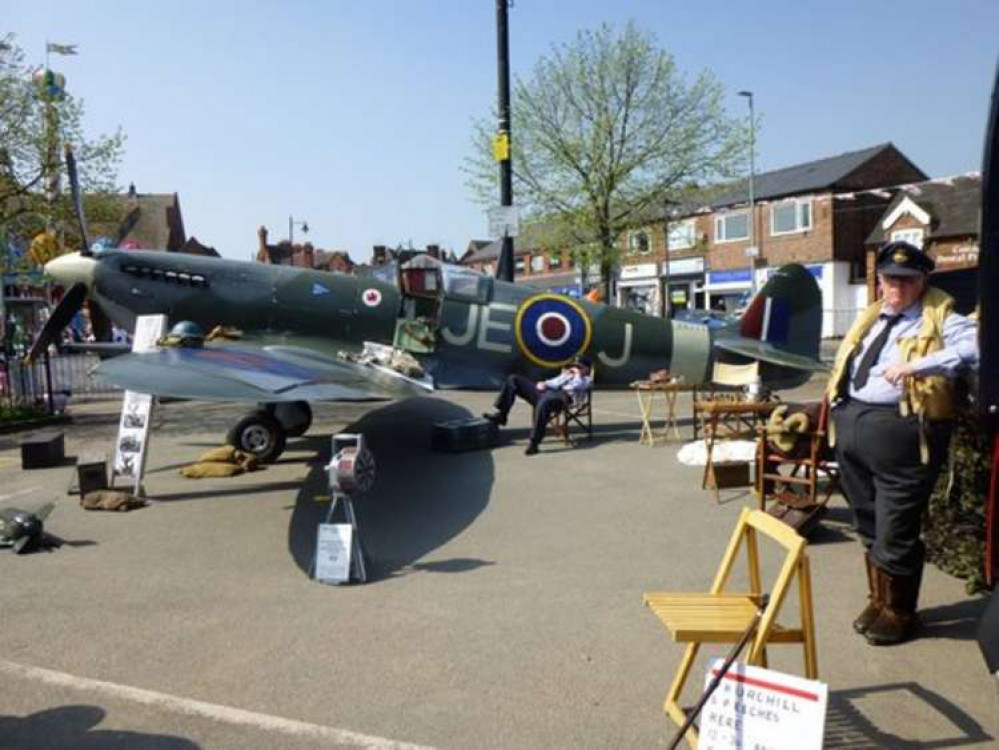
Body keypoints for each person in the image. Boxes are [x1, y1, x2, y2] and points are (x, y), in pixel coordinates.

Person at [825, 240, 979, 646]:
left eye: (907, 281)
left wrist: (916, 364)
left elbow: (976, 347)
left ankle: (900, 611)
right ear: (879, 282)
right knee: (868, 520)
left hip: (905, 436)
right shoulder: (873, 317)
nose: (897, 288)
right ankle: (879, 600)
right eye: (890, 279)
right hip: (855, 427)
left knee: (896, 526)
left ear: (922, 280)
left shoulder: (941, 315)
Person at [483, 356, 593, 456]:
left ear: (587, 369)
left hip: (561, 398)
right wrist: (544, 383)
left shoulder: (586, 380)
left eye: (579, 367)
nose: (575, 368)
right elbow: (554, 382)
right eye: (574, 366)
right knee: (513, 379)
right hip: (546, 392)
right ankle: (502, 415)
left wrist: (577, 374)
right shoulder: (567, 375)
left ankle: (534, 442)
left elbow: (577, 386)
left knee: (544, 403)